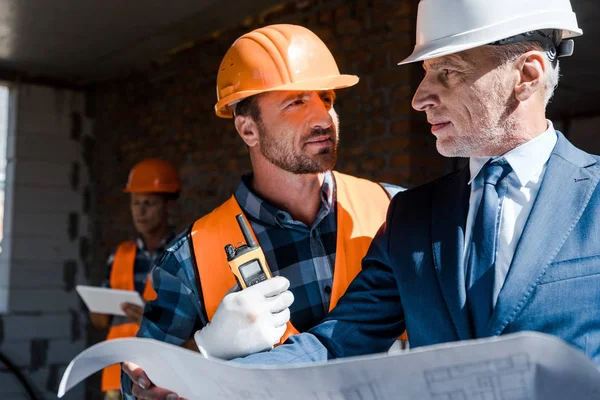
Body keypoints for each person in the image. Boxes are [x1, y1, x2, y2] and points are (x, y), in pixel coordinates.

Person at [229, 0, 600, 366]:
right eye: (425, 72)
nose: (419, 98)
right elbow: (336, 343)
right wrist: (213, 382)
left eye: (448, 72)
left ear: (527, 75)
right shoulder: (412, 216)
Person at [121, 24, 405, 399]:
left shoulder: (397, 211)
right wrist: (206, 349)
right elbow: (136, 389)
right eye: (297, 102)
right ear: (247, 130)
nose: (323, 118)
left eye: (327, 98)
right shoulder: (190, 257)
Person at [88, 158, 180, 400]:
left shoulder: (182, 254)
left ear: (168, 206)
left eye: (148, 203)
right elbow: (99, 321)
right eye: (135, 203)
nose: (140, 211)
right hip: (115, 378)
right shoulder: (119, 255)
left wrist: (151, 319)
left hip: (160, 378)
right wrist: (100, 308)